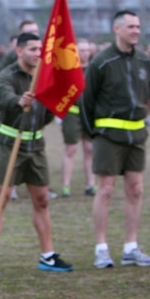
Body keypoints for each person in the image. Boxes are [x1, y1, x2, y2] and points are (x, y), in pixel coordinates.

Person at [0, 32, 74, 275]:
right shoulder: (5, 76)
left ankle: (48, 256)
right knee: (1, 197)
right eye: (32, 49)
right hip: (10, 143)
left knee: (42, 199)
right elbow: (3, 97)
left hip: (36, 145)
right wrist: (18, 100)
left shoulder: (45, 76)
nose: (38, 54)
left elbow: (51, 108)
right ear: (19, 51)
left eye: (40, 49)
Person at [81, 10, 150, 269]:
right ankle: (101, 249)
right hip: (108, 136)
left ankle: (131, 248)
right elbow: (86, 101)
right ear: (117, 29)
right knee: (105, 190)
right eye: (131, 27)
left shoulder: (144, 60)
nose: (136, 31)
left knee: (136, 189)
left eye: (138, 26)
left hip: (136, 135)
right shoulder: (101, 62)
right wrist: (95, 133)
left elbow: (145, 95)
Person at [59, 39, 96, 197]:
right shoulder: (68, 69)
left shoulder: (94, 70)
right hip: (72, 113)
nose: (85, 53)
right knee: (71, 149)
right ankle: (66, 185)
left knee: (89, 149)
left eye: (87, 50)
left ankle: (91, 184)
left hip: (89, 114)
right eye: (81, 50)